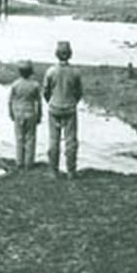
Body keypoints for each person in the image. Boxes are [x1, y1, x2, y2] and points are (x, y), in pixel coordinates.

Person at [43, 41, 83, 179]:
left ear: (56, 54)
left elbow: (46, 92)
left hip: (54, 107)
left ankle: (53, 171)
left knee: (53, 139)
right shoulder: (75, 72)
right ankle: (71, 171)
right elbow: (79, 92)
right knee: (71, 140)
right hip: (70, 108)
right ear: (70, 54)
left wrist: (51, 102)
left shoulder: (51, 71)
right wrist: (72, 102)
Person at [8, 60, 41, 170]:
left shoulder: (15, 84)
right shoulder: (35, 85)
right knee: (30, 138)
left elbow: (10, 101)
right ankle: (29, 163)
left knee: (19, 138)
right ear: (31, 72)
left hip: (18, 113)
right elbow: (39, 102)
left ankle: (19, 162)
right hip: (30, 113)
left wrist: (11, 113)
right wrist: (39, 115)